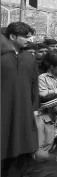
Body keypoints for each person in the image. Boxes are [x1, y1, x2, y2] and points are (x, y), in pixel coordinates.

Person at [1, 22, 39, 177]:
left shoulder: (30, 58)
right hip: (3, 111)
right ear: (12, 36)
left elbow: (34, 85)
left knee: (24, 147)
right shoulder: (2, 58)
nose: (29, 39)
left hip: (25, 110)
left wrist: (35, 108)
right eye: (25, 36)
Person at [21, 94, 57, 177]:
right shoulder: (39, 122)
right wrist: (56, 157)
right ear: (50, 106)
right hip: (36, 165)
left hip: (49, 159)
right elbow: (37, 154)